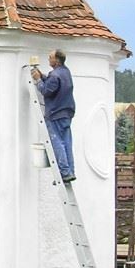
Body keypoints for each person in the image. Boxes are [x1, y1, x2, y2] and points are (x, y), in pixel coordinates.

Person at [32, 49, 76, 183]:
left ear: (56, 60)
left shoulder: (55, 75)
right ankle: (70, 171)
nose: (48, 59)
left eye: (50, 57)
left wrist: (38, 80)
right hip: (67, 112)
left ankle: (64, 172)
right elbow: (54, 82)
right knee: (67, 142)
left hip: (55, 113)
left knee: (57, 142)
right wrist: (43, 76)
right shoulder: (65, 72)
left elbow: (46, 91)